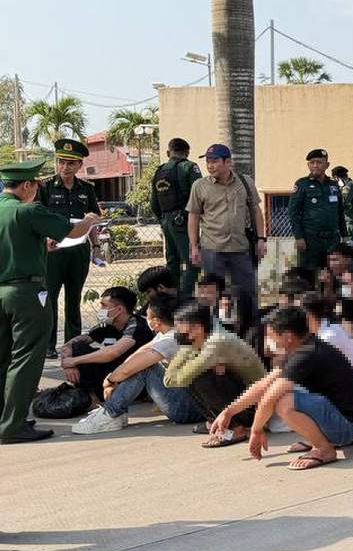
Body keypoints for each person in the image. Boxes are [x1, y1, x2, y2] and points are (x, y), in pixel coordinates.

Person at [0, 158, 98, 443]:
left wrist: (42, 247)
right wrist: (89, 221)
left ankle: (4, 418)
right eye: (35, 185)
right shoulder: (29, 210)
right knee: (26, 360)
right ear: (26, 185)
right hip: (25, 294)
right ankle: (13, 426)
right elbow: (73, 231)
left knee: (3, 358)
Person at [218, 306, 353, 470]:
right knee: (281, 395)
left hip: (346, 428)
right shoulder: (304, 348)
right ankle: (320, 440)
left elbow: (270, 397)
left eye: (271, 335)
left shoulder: (307, 353)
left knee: (283, 401)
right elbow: (263, 385)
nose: (269, 340)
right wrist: (229, 412)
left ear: (288, 336)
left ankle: (324, 449)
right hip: (345, 424)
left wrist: (255, 430)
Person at [71, 296, 203, 434]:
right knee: (137, 365)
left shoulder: (173, 339)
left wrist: (110, 381)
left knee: (145, 368)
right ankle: (116, 411)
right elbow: (138, 354)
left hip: (188, 409)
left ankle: (112, 413)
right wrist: (116, 378)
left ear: (156, 322)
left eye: (147, 315)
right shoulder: (168, 333)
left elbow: (133, 366)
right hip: (190, 402)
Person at [187, 143, 266, 330]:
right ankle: (213, 330)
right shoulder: (200, 186)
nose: (210, 166)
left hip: (240, 248)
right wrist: (193, 246)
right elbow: (193, 216)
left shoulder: (245, 182)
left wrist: (261, 240)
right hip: (212, 249)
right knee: (213, 294)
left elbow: (256, 211)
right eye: (208, 162)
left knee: (248, 293)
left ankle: (251, 331)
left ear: (228, 162)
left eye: (215, 161)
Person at [164, 302, 268, 445]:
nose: (179, 334)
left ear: (198, 328)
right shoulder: (202, 339)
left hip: (257, 407)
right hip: (243, 402)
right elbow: (169, 380)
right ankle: (216, 423)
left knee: (200, 377)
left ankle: (234, 429)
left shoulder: (216, 342)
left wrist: (189, 349)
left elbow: (176, 378)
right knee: (193, 376)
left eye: (182, 331)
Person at [39, 137, 101, 355]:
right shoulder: (45, 187)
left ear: (79, 165)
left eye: (70, 163)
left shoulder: (87, 189)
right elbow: (37, 217)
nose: (65, 167)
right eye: (61, 162)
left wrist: (96, 246)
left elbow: (92, 219)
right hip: (53, 251)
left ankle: (72, 344)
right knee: (50, 298)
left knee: (73, 299)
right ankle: (49, 345)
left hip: (78, 251)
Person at [58, 286, 153, 404]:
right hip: (112, 374)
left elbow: (113, 352)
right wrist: (68, 364)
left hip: (134, 376)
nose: (101, 310)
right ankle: (90, 396)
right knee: (78, 347)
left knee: (87, 356)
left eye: (104, 306)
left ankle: (96, 399)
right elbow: (68, 345)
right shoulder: (107, 324)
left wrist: (74, 361)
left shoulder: (136, 325)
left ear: (119, 309)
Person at [149, 137, 203, 298]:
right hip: (185, 220)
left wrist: (163, 219)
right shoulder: (189, 167)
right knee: (193, 260)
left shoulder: (159, 171)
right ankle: (187, 298)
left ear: (168, 153)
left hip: (167, 220)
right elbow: (200, 194)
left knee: (173, 261)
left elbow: (154, 203)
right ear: (187, 153)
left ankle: (171, 296)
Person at [286, 148, 347, 272]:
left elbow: (340, 212)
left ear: (327, 165)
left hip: (332, 239)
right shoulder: (302, 184)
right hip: (310, 240)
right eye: (312, 162)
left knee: (333, 274)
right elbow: (293, 212)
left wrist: (345, 236)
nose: (315, 165)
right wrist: (299, 237)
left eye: (319, 162)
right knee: (310, 274)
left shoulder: (333, 185)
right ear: (308, 165)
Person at [330, 165, 353, 257]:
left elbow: (342, 202)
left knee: (350, 255)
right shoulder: (345, 186)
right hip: (348, 224)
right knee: (345, 255)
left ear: (337, 177)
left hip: (351, 225)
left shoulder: (349, 187)